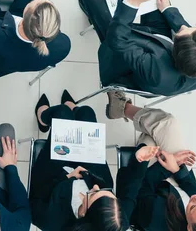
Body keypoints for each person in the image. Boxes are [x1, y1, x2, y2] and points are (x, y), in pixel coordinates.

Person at [30, 90, 158, 230]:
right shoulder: (116, 220)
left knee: (62, 114)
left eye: (93, 194)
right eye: (110, 192)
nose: (96, 186)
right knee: (87, 113)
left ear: (84, 214)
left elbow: (36, 198)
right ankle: (74, 111)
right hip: (91, 170)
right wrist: (140, 159)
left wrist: (67, 177)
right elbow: (131, 189)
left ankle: (44, 118)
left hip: (53, 179)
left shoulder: (50, 221)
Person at [106, 91, 196, 231]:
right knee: (167, 123)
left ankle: (122, 109)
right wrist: (177, 170)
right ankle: (124, 111)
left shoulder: (156, 219)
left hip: (147, 185)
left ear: (189, 228)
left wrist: (165, 168)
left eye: (194, 206)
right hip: (174, 181)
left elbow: (141, 186)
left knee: (154, 136)